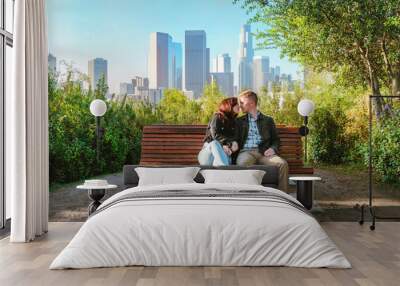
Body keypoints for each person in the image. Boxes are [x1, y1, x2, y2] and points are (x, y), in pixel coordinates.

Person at [235, 90, 289, 192]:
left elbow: (276, 140)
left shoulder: (268, 120)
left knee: (282, 164)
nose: (240, 105)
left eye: (242, 102)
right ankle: (245, 194)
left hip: (263, 153)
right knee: (242, 163)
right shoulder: (239, 121)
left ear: (251, 103)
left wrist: (273, 149)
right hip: (246, 152)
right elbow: (232, 136)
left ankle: (283, 195)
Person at [198, 97, 240, 166]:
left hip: (224, 155)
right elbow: (215, 135)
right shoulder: (217, 117)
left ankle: (222, 170)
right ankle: (224, 170)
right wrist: (225, 144)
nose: (239, 106)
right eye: (236, 104)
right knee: (214, 143)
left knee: (221, 158)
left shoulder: (235, 122)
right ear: (229, 106)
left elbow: (235, 138)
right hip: (208, 155)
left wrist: (233, 145)